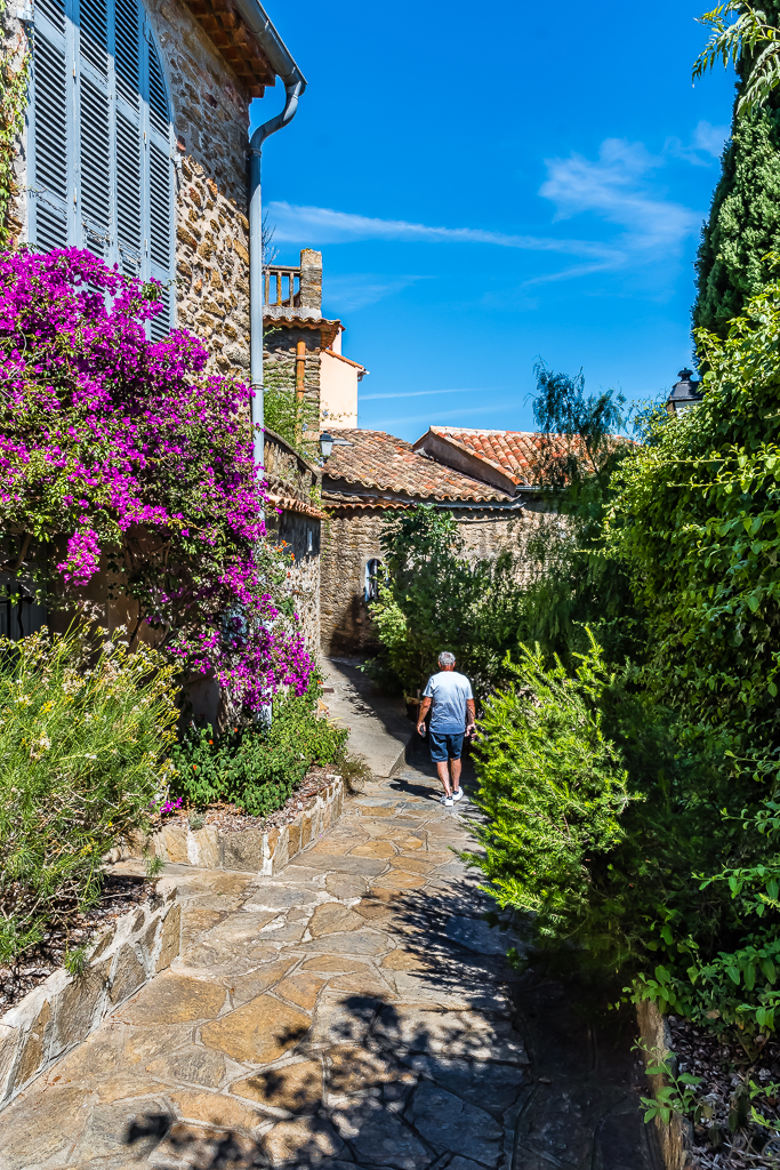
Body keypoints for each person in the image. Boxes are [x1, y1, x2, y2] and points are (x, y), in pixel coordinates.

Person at [417, 651, 476, 807]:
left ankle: (448, 796)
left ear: (439, 664)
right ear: (454, 664)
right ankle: (456, 790)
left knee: (441, 760)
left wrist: (420, 721)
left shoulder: (434, 680)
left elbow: (426, 704)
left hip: (438, 727)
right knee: (455, 757)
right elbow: (470, 705)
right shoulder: (463, 680)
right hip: (457, 727)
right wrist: (471, 723)